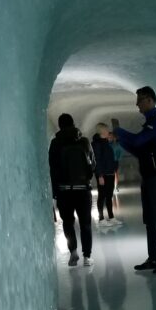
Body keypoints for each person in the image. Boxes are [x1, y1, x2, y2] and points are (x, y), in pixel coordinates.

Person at [112, 87, 156, 274]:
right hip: (148, 177)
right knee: (149, 220)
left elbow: (139, 141)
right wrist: (120, 140)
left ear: (149, 100)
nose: (137, 104)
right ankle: (154, 258)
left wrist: (119, 131)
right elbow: (139, 150)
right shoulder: (149, 123)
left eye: (139, 100)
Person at [49, 114, 95, 267]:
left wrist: (55, 191)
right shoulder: (84, 141)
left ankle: (73, 252)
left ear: (59, 126)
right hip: (82, 189)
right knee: (85, 223)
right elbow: (92, 164)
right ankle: (87, 257)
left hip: (64, 191)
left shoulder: (55, 144)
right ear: (73, 123)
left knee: (68, 223)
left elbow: (52, 169)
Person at [91, 123, 121, 228]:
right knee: (102, 196)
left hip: (110, 172)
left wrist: (113, 169)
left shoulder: (106, 142)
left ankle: (111, 217)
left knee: (109, 196)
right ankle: (101, 218)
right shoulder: (97, 144)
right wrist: (99, 175)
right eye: (107, 129)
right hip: (103, 174)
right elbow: (97, 161)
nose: (108, 131)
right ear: (102, 131)